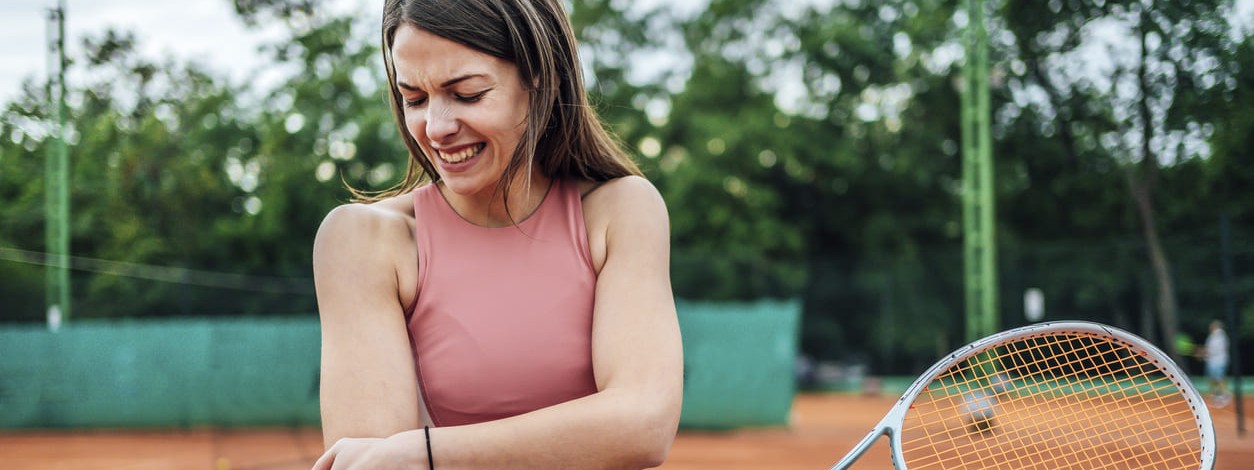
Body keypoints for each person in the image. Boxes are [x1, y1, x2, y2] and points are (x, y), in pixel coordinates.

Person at [310, 0, 683, 468]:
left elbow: (644, 422)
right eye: (415, 99)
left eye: (466, 94)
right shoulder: (363, 241)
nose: (437, 128)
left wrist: (426, 453)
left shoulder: (622, 210)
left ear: (539, 79)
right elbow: (367, 464)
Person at [1199, 319, 1232, 407]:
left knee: (1219, 378)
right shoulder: (1213, 336)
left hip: (1219, 361)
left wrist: (1203, 353)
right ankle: (1218, 395)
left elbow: (1214, 349)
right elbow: (1210, 349)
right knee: (1213, 379)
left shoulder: (1219, 335)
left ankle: (1225, 394)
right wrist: (1204, 353)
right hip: (1213, 361)